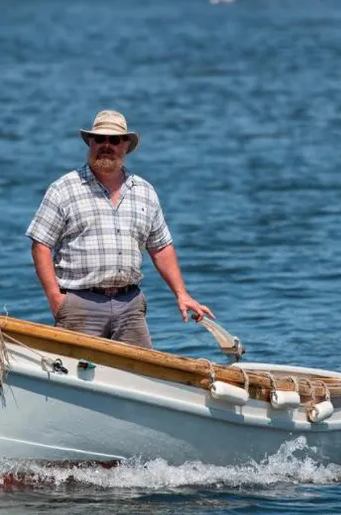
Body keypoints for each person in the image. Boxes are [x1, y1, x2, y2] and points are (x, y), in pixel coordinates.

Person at [25, 109, 214, 349]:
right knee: (72, 376)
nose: (107, 145)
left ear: (126, 145)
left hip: (130, 306)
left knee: (143, 378)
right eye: (99, 139)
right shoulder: (63, 189)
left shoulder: (144, 191)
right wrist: (55, 298)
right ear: (90, 142)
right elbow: (40, 244)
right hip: (79, 305)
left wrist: (182, 294)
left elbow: (161, 247)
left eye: (114, 140)